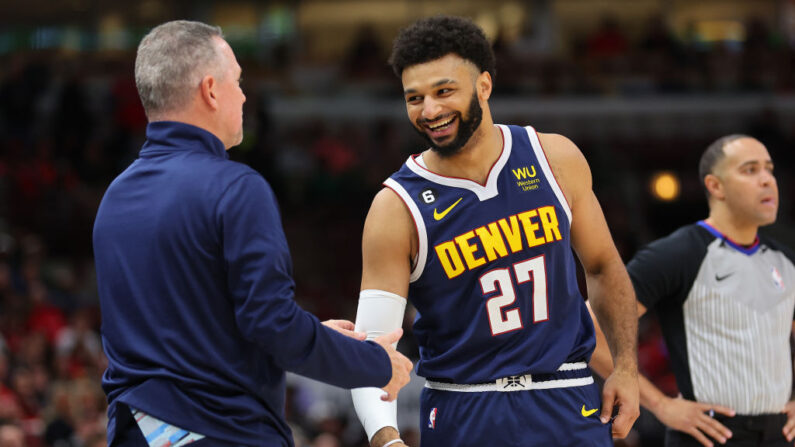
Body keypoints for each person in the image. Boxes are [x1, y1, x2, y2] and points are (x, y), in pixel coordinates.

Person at [92, 20, 413, 447]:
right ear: (210, 89)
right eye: (239, 81)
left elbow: (195, 331)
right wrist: (375, 364)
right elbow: (272, 325)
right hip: (221, 431)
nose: (244, 96)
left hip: (135, 432)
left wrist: (314, 333)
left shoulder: (114, 197)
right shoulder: (236, 187)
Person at [349, 16, 640, 447]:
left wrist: (626, 368)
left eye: (444, 91)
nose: (429, 111)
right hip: (465, 407)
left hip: (567, 396)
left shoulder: (554, 158)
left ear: (484, 86)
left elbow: (602, 266)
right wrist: (386, 438)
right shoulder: (395, 208)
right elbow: (373, 346)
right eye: (415, 98)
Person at [589, 135, 795, 447]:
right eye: (750, 170)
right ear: (715, 186)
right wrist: (662, 405)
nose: (767, 180)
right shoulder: (678, 254)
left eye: (769, 169)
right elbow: (589, 327)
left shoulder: (785, 261)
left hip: (781, 435)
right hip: (707, 435)